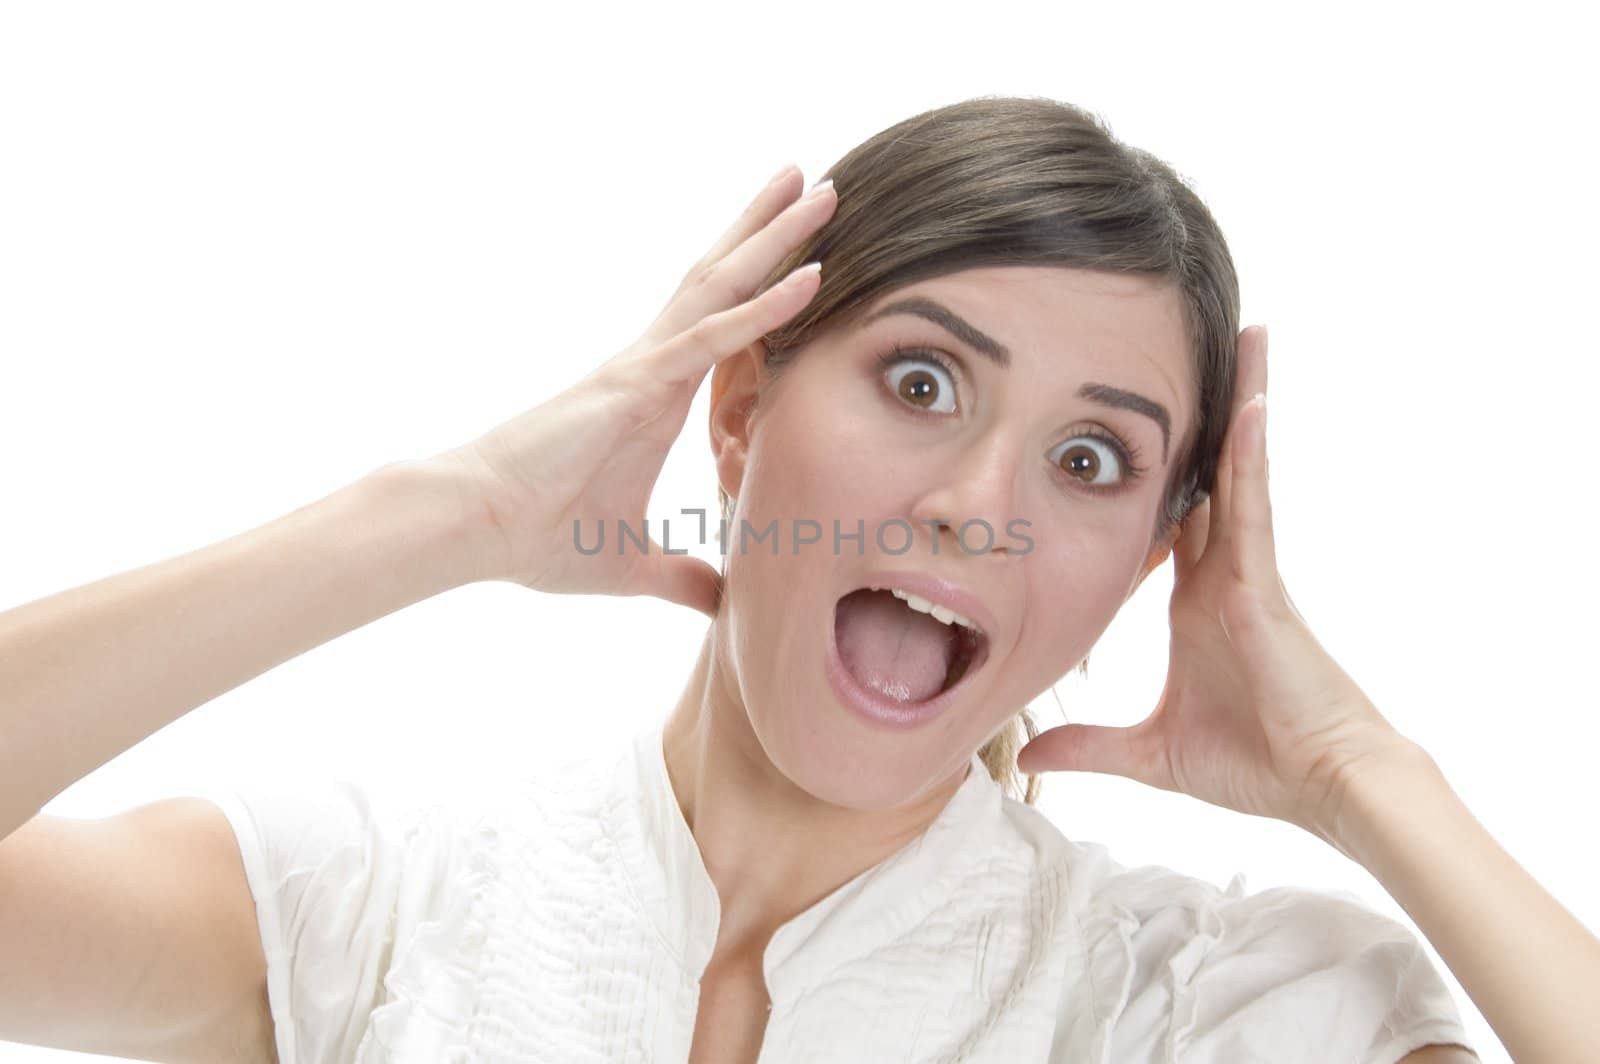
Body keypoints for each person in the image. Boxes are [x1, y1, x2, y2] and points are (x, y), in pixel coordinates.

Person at [0, 95, 1590, 1063]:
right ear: (743, 406)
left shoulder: (1209, 1004)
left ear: (1151, 565)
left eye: (1090, 460)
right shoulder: (383, 904)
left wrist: (1360, 771)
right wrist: (454, 512)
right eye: (920, 383)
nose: (978, 504)